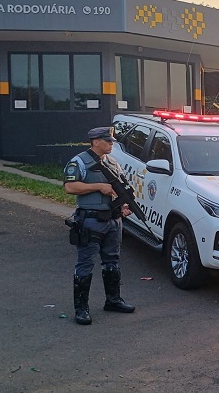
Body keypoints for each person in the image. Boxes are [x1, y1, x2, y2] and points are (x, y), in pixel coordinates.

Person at [63, 126, 135, 325]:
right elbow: (69, 187)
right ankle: (81, 309)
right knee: (85, 263)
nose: (111, 144)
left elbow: (121, 188)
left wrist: (124, 206)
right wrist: (98, 186)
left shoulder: (112, 163)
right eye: (108, 141)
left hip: (113, 220)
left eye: (112, 141)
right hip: (91, 220)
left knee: (112, 261)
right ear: (96, 142)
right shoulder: (79, 162)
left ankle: (113, 300)